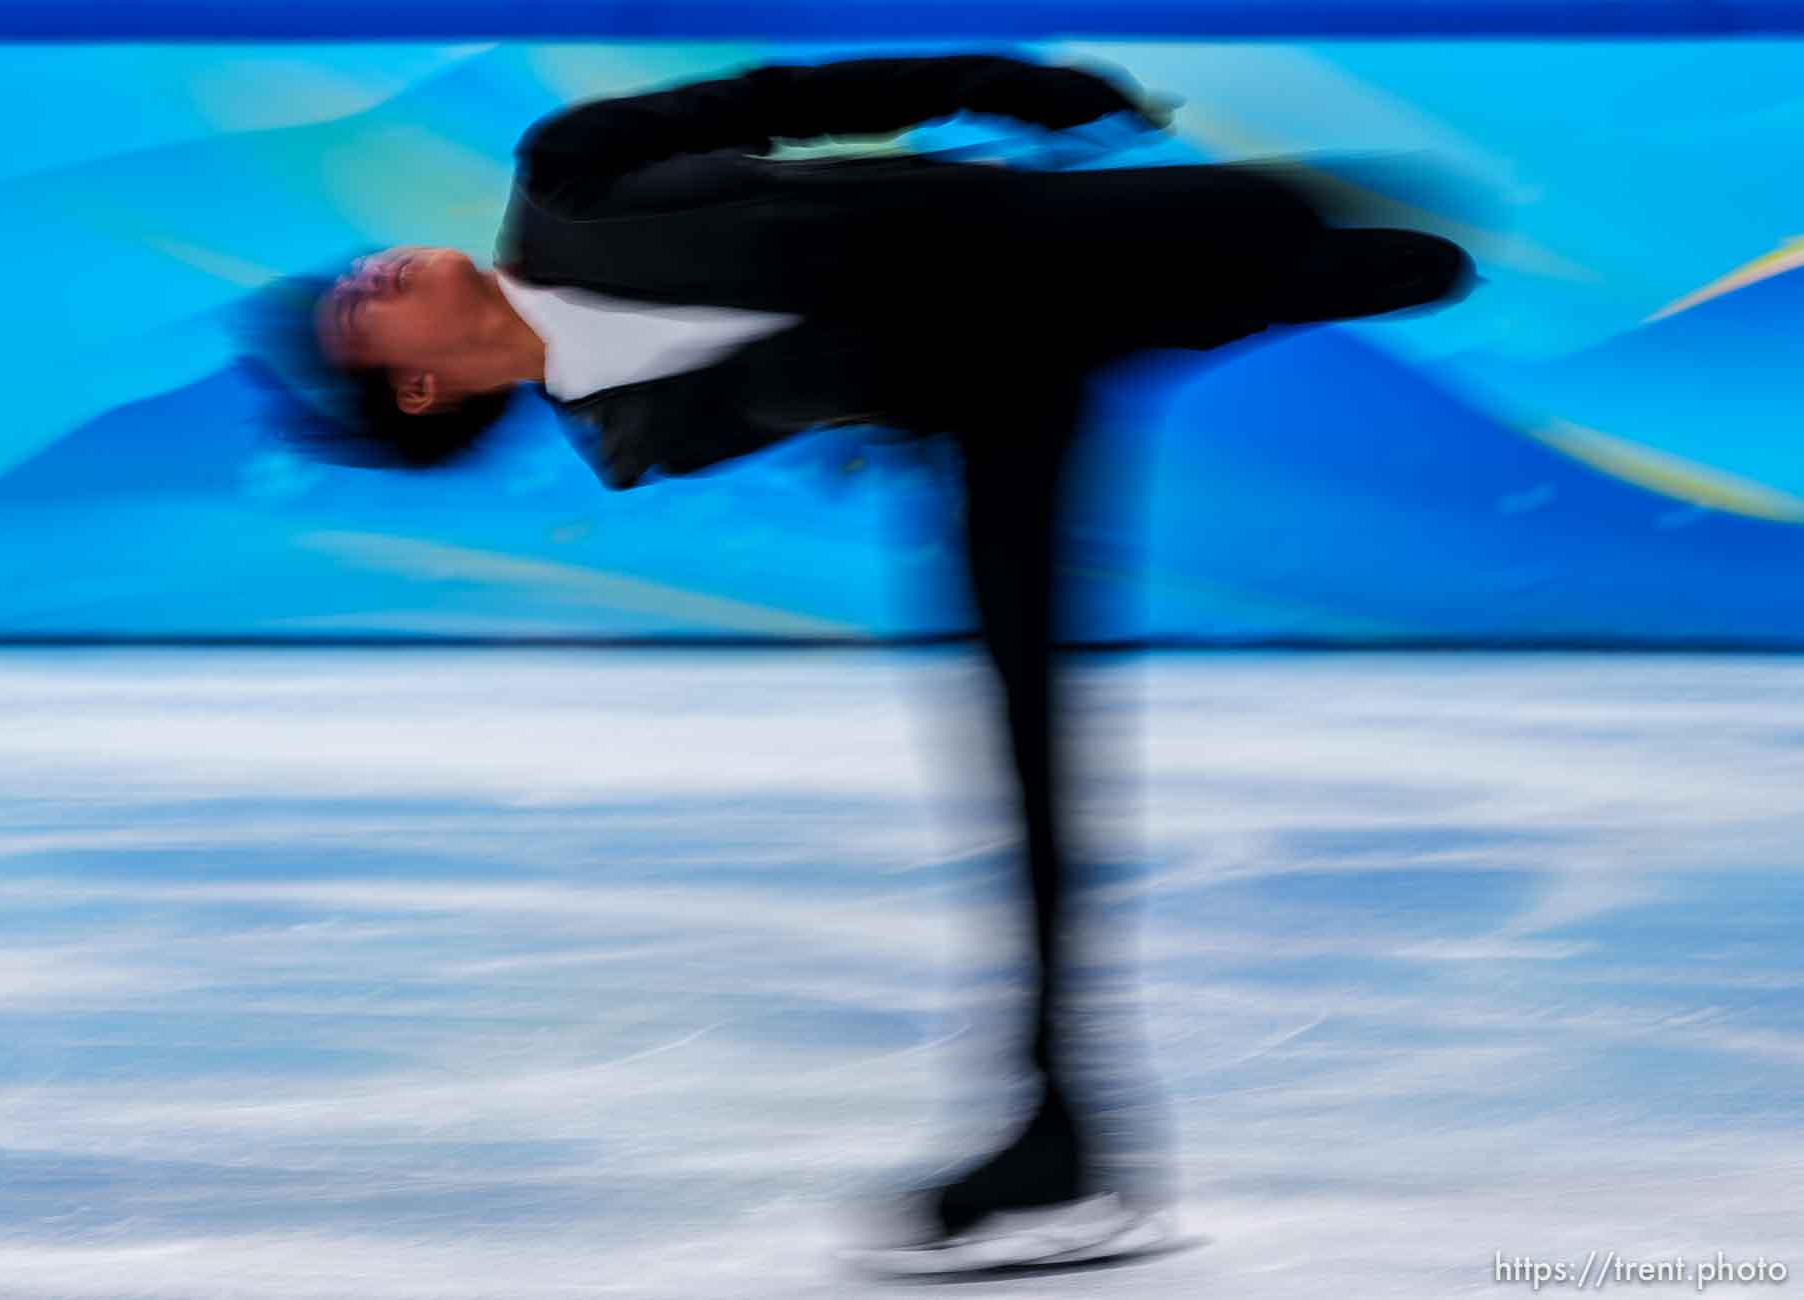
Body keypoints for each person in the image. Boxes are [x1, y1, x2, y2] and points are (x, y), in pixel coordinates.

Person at [237, 51, 1476, 1269]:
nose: (371, 266)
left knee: (1316, 236)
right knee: (1022, 748)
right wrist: (887, 409)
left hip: (1053, 240)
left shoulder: (568, 172)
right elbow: (834, 368)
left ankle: (1285, 266)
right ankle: (1061, 1139)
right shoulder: (641, 435)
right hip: (998, 393)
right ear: (416, 386)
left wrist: (1006, 81)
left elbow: (791, 99)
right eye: (359, 307)